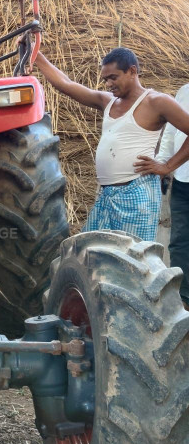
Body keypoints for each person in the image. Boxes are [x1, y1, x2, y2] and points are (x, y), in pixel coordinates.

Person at [31, 47, 189, 240]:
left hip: (137, 194)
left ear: (132, 71)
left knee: (132, 260)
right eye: (105, 79)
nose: (108, 84)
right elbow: (66, 84)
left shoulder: (156, 102)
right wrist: (36, 56)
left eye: (113, 77)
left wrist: (167, 167)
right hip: (107, 195)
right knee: (89, 252)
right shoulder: (108, 101)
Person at [134, 84, 189, 306]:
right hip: (184, 179)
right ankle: (183, 300)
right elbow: (172, 133)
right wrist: (163, 165)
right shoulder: (185, 91)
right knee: (180, 243)